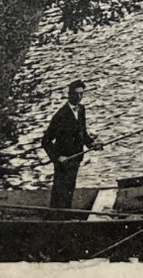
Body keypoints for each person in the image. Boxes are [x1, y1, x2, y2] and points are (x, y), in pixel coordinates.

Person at [41, 81, 102, 211]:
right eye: (76, 94)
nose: (79, 97)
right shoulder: (60, 116)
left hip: (76, 158)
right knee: (60, 192)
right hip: (63, 161)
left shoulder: (81, 110)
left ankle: (66, 216)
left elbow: (82, 134)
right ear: (69, 95)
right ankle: (56, 220)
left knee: (70, 189)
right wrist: (57, 158)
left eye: (82, 94)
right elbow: (45, 141)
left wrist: (92, 144)